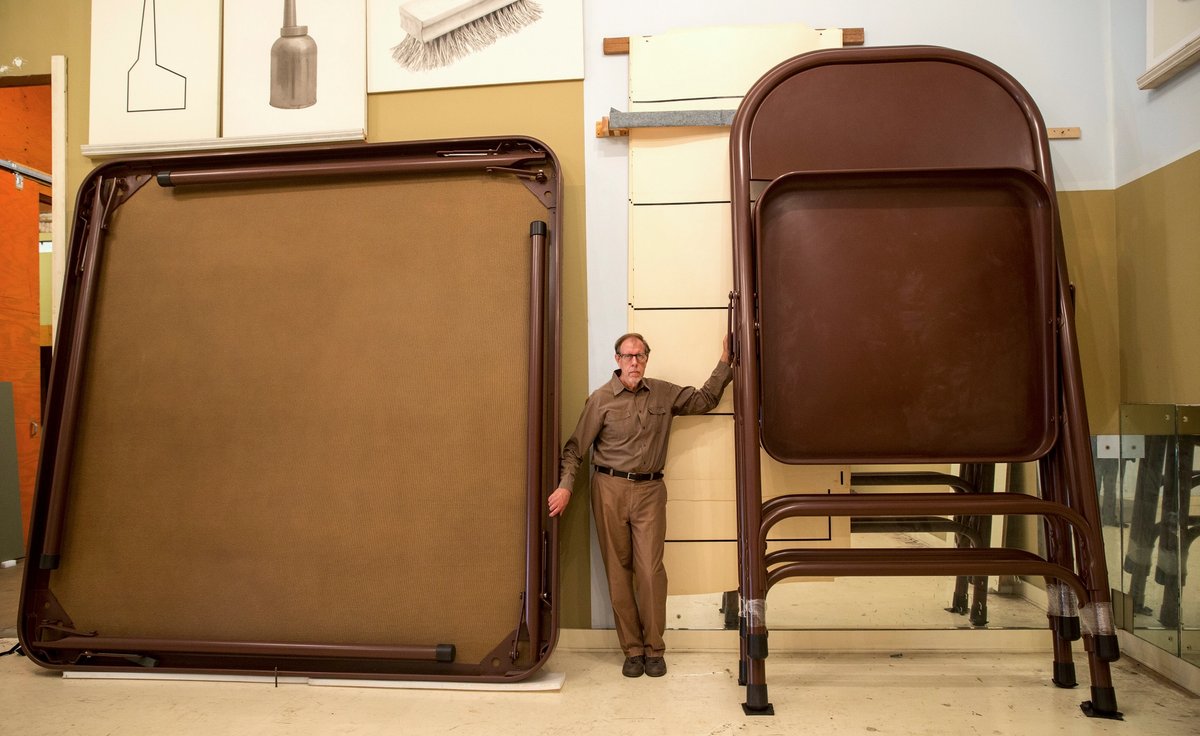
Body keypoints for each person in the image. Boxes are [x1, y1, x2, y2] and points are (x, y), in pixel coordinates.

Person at [548, 332, 732, 678]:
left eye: (640, 356)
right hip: (608, 490)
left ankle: (654, 648)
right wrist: (565, 486)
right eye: (628, 356)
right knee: (618, 573)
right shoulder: (600, 400)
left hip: (650, 493)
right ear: (617, 359)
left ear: (647, 359)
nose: (634, 362)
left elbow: (705, 399)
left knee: (650, 572)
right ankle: (632, 650)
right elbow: (575, 448)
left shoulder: (663, 392)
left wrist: (726, 360)